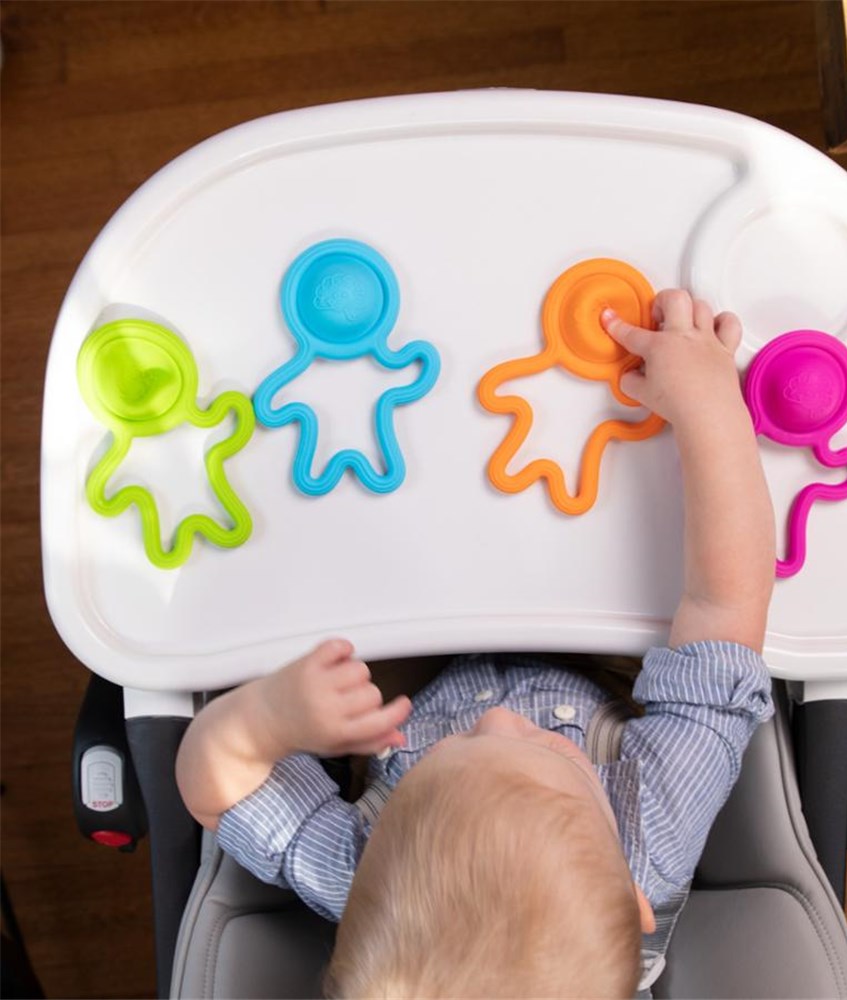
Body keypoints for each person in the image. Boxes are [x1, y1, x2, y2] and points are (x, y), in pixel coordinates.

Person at [176, 289, 776, 998]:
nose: (494, 721)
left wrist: (269, 719)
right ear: (634, 899)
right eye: (553, 752)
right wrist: (710, 408)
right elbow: (724, 608)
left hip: (398, 664)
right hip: (609, 653)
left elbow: (214, 786)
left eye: (450, 753)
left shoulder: (365, 876)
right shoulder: (656, 827)